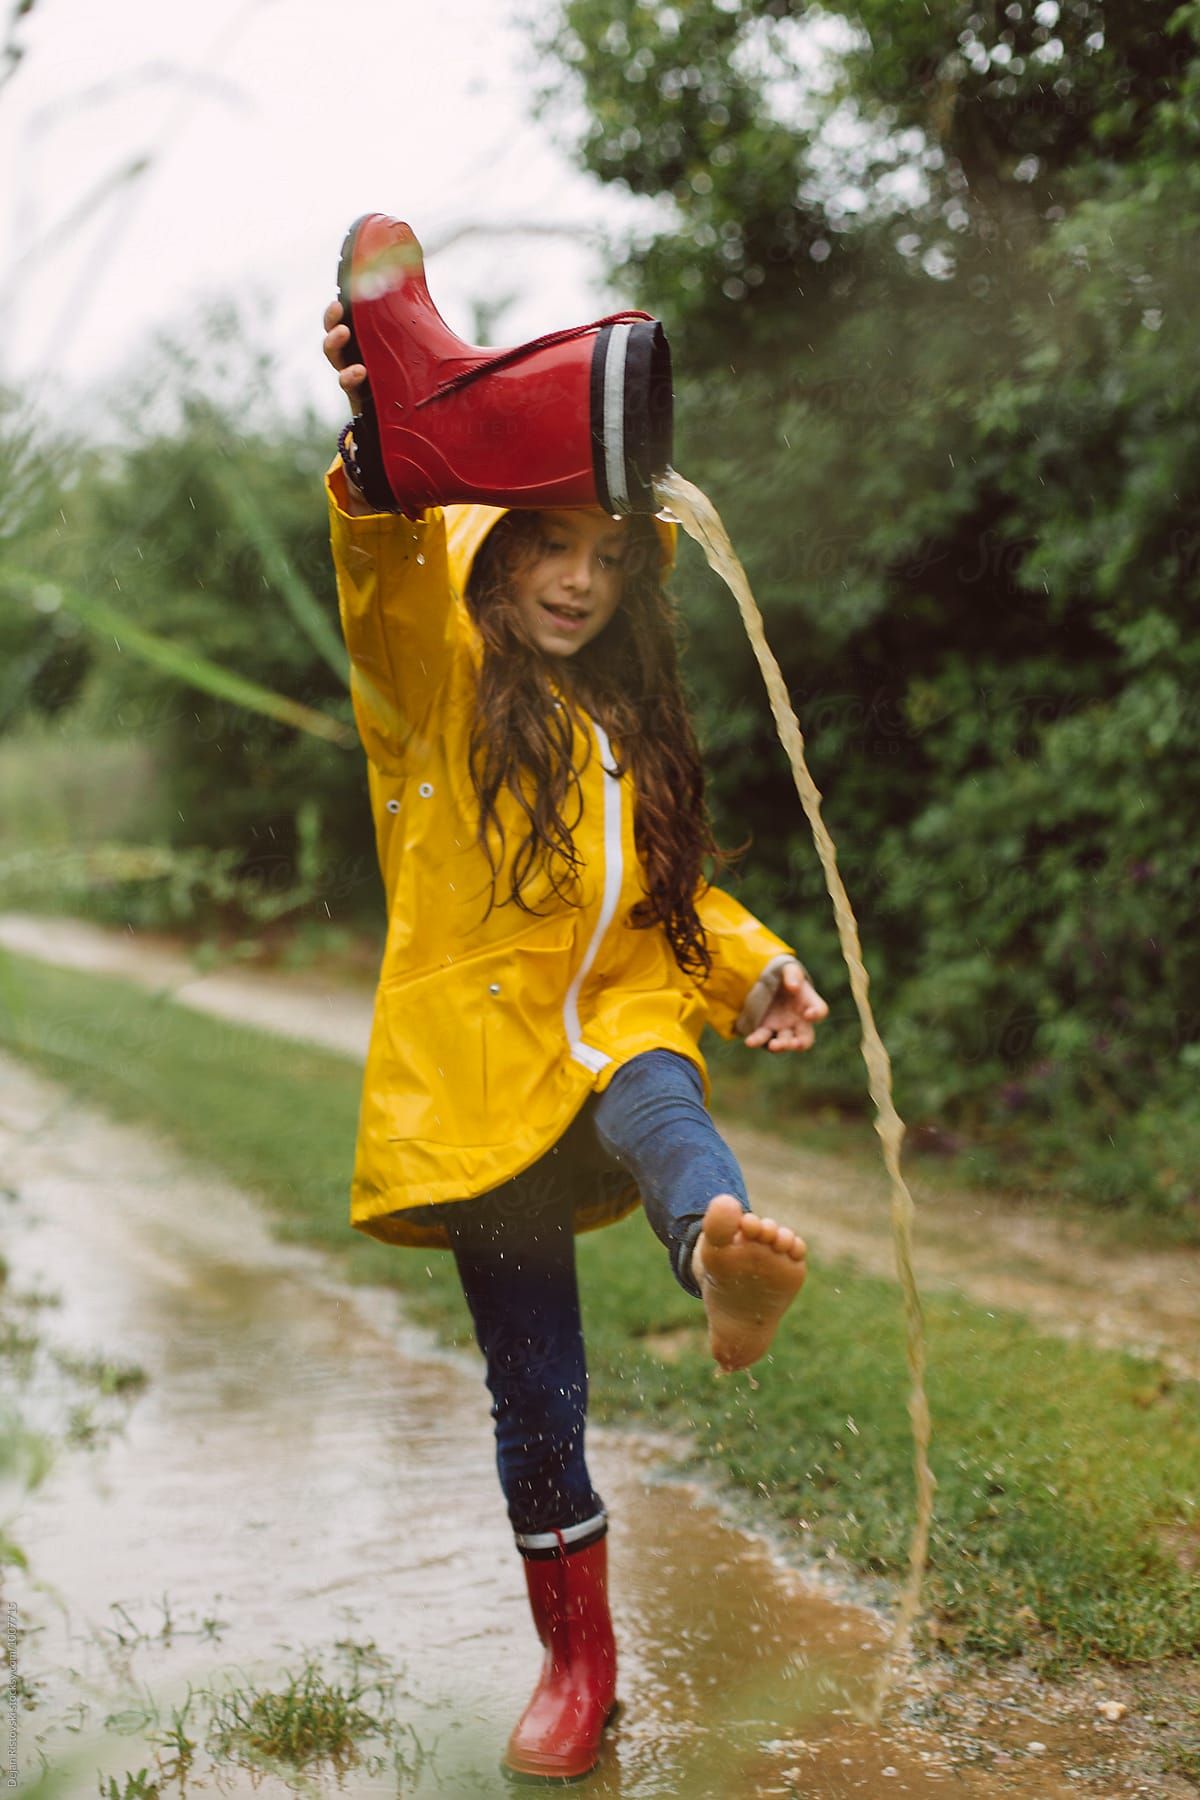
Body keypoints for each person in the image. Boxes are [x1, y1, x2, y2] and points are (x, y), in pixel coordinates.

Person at [321, 300, 829, 1782]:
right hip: (481, 1085)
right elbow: (379, 561)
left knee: (665, 1097)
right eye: (551, 546)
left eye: (611, 559)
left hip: (613, 1028)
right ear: (491, 553)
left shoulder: (624, 725)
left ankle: (718, 1265)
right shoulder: (439, 687)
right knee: (535, 1385)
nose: (582, 581)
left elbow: (669, 897)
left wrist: (756, 966)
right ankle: (576, 1658)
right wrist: (375, 440)